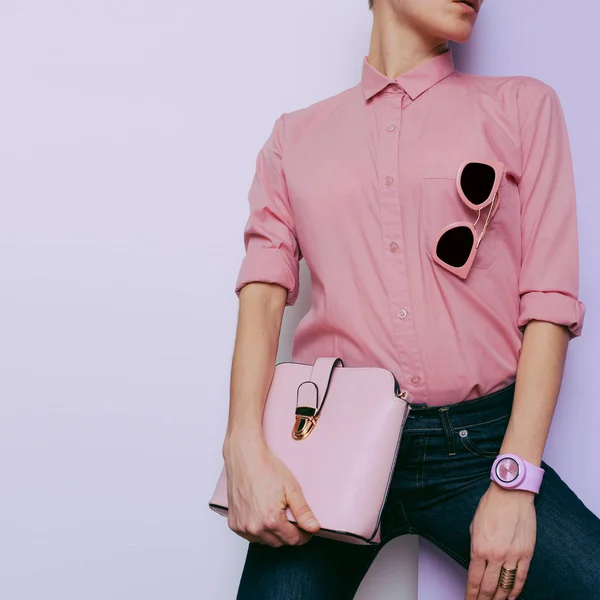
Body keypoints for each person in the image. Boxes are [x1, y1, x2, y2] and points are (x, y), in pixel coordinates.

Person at [220, 0, 600, 598]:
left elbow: (549, 301)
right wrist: (242, 446)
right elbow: (263, 296)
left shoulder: (523, 106)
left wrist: (515, 481)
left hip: (480, 450)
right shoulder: (293, 139)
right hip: (329, 448)